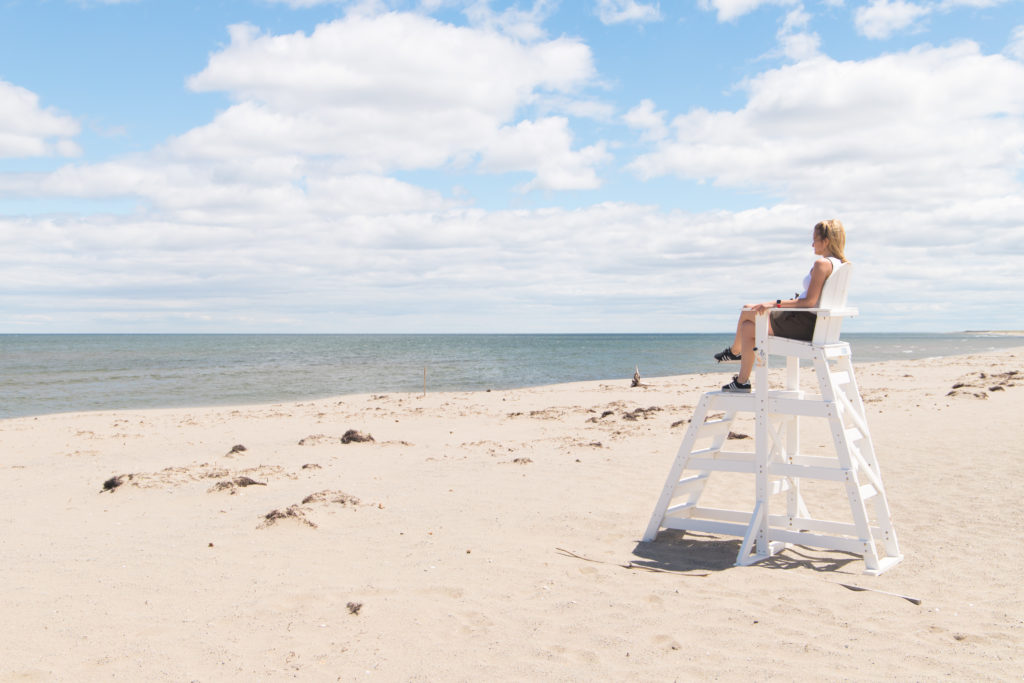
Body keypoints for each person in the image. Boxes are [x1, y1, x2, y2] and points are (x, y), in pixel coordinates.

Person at [713, 219, 848, 393]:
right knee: (747, 328)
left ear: (826, 241)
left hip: (804, 324)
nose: (812, 243)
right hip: (814, 324)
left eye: (815, 239)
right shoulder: (840, 265)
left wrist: (774, 303)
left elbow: (809, 302)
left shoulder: (822, 264)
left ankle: (734, 352)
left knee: (747, 308)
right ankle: (742, 382)